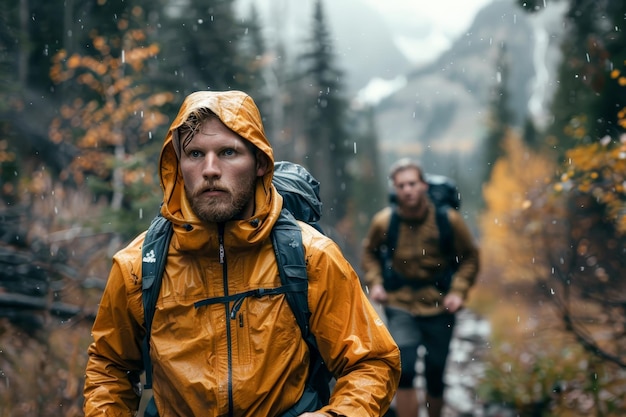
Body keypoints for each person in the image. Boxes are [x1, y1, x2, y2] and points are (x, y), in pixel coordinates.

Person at [83, 90, 401, 416]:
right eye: (194, 154)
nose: (210, 169)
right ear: (177, 166)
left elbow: (371, 361)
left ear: (260, 163)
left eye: (227, 152)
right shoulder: (139, 265)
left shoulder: (310, 256)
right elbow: (110, 367)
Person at [361, 158, 480, 417]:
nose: (408, 190)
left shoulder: (448, 220)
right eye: (401, 185)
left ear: (424, 185)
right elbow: (369, 252)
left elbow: (470, 256)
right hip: (399, 302)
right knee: (405, 367)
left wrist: (458, 292)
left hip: (440, 303)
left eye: (412, 183)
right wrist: (377, 283)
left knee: (436, 371)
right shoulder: (384, 221)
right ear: (395, 189)